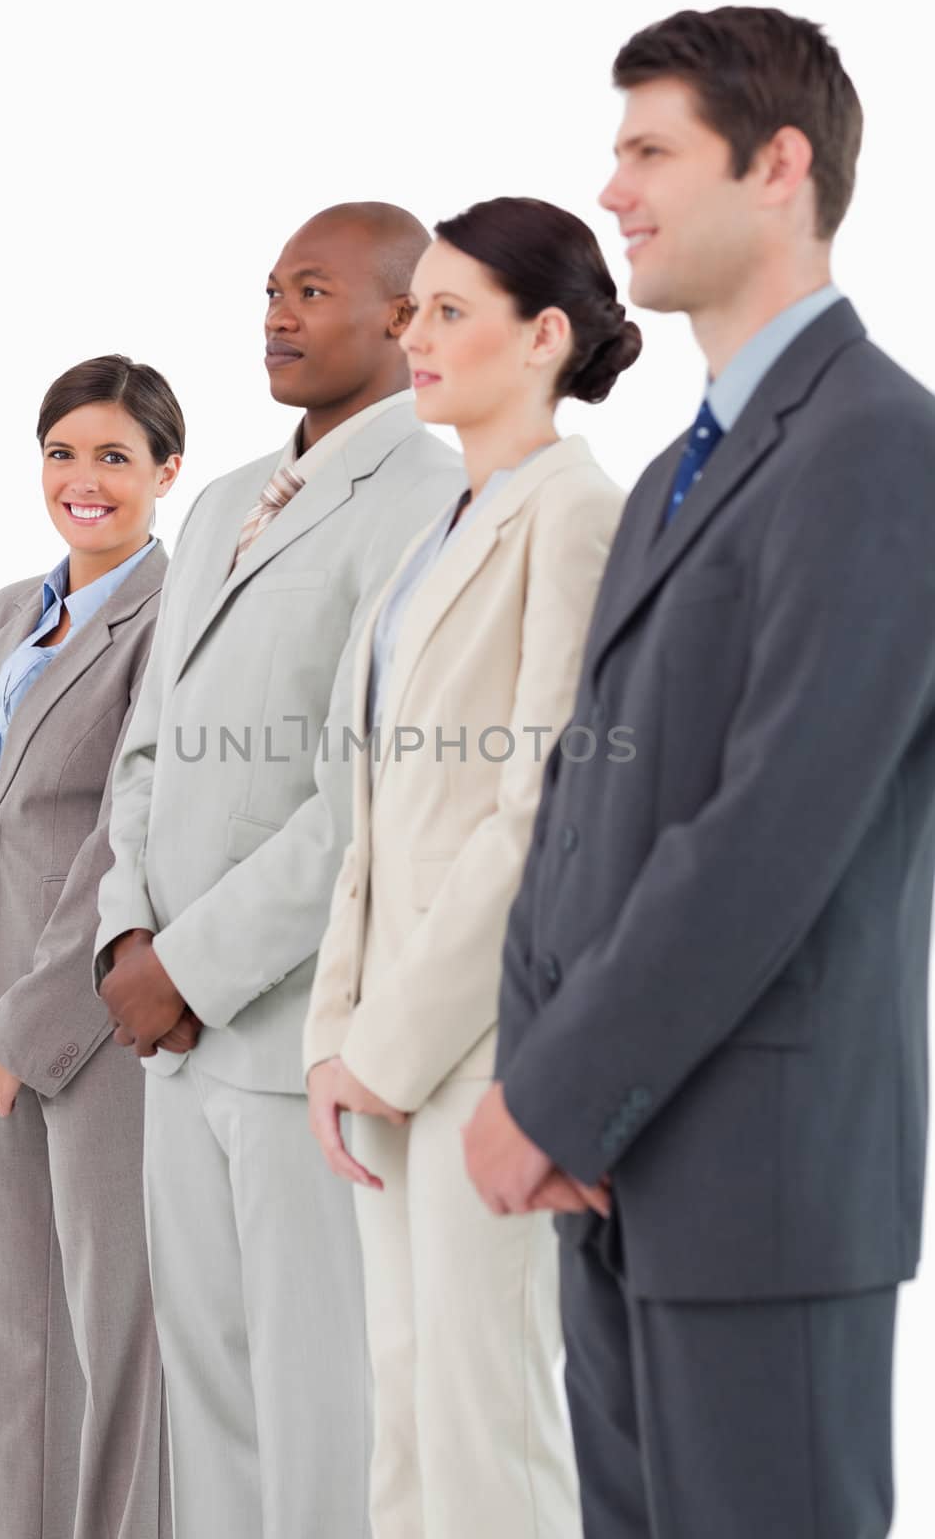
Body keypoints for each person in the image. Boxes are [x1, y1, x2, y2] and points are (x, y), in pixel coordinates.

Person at [464, 6, 935, 1539]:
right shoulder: (681, 466)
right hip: (618, 1176)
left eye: (649, 149)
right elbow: (587, 795)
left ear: (777, 165)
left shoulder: (874, 443)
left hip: (756, 1183)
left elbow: (769, 832)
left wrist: (556, 1093)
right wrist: (547, 1084)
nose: (614, 193)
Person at [94, 202, 464, 1539]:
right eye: (268, 289)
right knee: (209, 1406)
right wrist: (126, 945)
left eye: (310, 290)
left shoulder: (432, 502)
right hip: (169, 1044)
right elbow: (146, 752)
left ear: (400, 316)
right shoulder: (215, 504)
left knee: (323, 1414)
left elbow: (367, 793)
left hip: (299, 1042)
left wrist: (189, 967)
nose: (276, 314)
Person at [303, 196, 636, 1539]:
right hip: (385, 1050)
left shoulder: (573, 515)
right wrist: (337, 1034)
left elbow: (537, 812)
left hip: (485, 1045)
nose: (413, 332)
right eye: (413, 307)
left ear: (543, 334)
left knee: (484, 1423)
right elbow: (371, 809)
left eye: (449, 310)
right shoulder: (436, 530)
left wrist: (385, 1041)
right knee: (405, 1412)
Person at [0, 354, 182, 1539]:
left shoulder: (171, 620)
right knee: (16, 1326)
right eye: (63, 452)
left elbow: (122, 849)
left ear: (165, 472)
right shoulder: (4, 614)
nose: (83, 480)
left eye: (114, 457)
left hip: (101, 1029)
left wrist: (25, 1034)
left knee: (117, 1321)